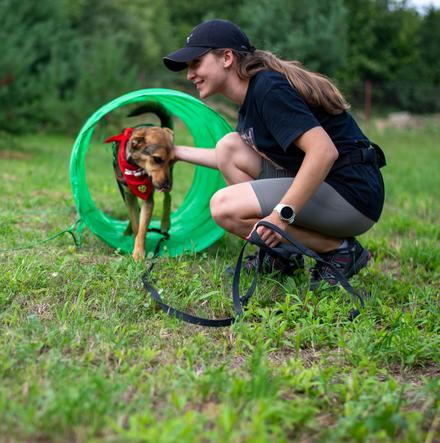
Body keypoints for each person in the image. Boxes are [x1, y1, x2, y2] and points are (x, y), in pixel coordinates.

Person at [162, 19, 385, 288]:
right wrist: (175, 151)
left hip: (352, 194)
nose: (189, 74)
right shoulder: (250, 101)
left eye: (195, 63)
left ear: (227, 58)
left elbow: (323, 151)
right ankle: (281, 254)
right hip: (330, 188)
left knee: (224, 207)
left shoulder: (268, 89)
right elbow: (225, 158)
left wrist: (281, 216)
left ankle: (338, 249)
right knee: (229, 148)